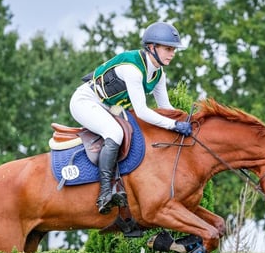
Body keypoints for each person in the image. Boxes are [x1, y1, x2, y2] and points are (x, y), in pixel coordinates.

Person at [69, 21, 193, 214]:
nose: (173, 53)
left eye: (173, 49)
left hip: (108, 108)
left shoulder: (158, 74)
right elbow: (142, 111)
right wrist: (174, 125)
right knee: (115, 133)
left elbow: (165, 108)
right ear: (152, 47)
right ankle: (105, 194)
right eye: (168, 48)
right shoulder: (133, 69)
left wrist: (187, 122)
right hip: (85, 101)